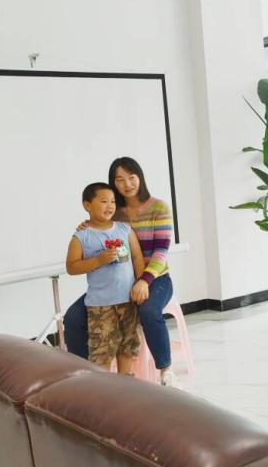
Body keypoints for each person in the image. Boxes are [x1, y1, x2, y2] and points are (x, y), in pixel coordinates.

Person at [64, 157, 179, 387]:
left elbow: (161, 251)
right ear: (113, 183)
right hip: (120, 283)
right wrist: (86, 225)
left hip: (156, 278)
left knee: (148, 310)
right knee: (73, 318)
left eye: (131, 177)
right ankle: (83, 374)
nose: (127, 184)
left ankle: (165, 369)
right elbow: (99, 226)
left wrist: (143, 280)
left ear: (140, 177)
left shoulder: (159, 208)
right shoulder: (114, 212)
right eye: (120, 179)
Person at [65, 183, 145, 374]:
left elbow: (137, 257)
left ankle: (125, 383)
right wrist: (98, 260)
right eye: (103, 201)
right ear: (87, 205)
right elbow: (71, 267)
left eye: (112, 202)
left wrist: (141, 282)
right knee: (102, 350)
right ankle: (105, 387)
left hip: (128, 300)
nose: (109, 206)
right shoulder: (81, 236)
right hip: (100, 304)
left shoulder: (124, 230)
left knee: (128, 345)